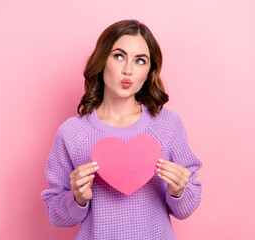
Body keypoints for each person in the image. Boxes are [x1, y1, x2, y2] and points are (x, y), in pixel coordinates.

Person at [41, 19, 202, 240]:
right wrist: (77, 198)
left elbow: (186, 208)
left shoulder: (168, 125)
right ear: (102, 61)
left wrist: (179, 191)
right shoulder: (71, 132)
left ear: (149, 71)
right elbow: (55, 215)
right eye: (119, 56)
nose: (128, 70)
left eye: (140, 61)